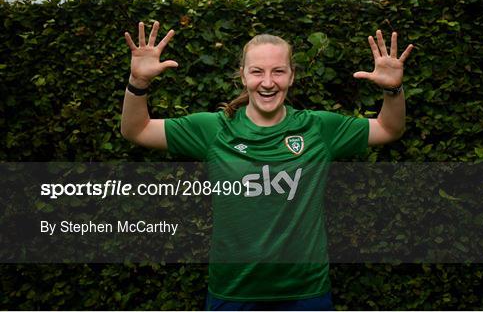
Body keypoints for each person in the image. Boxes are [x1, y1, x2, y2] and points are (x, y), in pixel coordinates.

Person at [121, 21, 413, 310]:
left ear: (292, 76)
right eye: (257, 72)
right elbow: (136, 130)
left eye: (278, 71)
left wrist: (393, 89)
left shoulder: (319, 128)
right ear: (242, 76)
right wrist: (139, 84)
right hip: (233, 293)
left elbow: (389, 129)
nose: (268, 82)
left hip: (306, 294)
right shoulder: (213, 129)